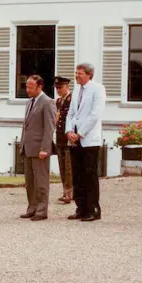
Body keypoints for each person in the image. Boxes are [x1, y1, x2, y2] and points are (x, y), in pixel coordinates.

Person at [64, 63, 106, 222]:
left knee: (90, 175)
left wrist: (80, 133)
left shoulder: (97, 89)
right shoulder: (76, 91)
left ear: (89, 74)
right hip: (74, 139)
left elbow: (95, 114)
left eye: (80, 73)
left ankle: (93, 209)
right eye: (76, 73)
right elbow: (70, 113)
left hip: (88, 140)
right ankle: (80, 207)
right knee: (77, 175)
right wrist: (69, 131)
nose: (77, 76)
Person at [19, 75, 56, 221]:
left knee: (41, 181)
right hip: (28, 147)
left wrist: (45, 148)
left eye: (30, 87)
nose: (27, 89)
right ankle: (32, 207)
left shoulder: (47, 102)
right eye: (26, 86)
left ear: (39, 87)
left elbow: (49, 127)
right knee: (30, 181)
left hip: (40, 148)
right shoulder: (29, 102)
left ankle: (42, 210)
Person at [53, 76, 74, 204]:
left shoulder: (72, 100)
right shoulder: (58, 101)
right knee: (62, 166)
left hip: (68, 138)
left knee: (69, 166)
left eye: (60, 87)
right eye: (57, 88)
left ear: (67, 87)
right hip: (60, 137)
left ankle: (69, 193)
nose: (58, 90)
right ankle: (65, 191)